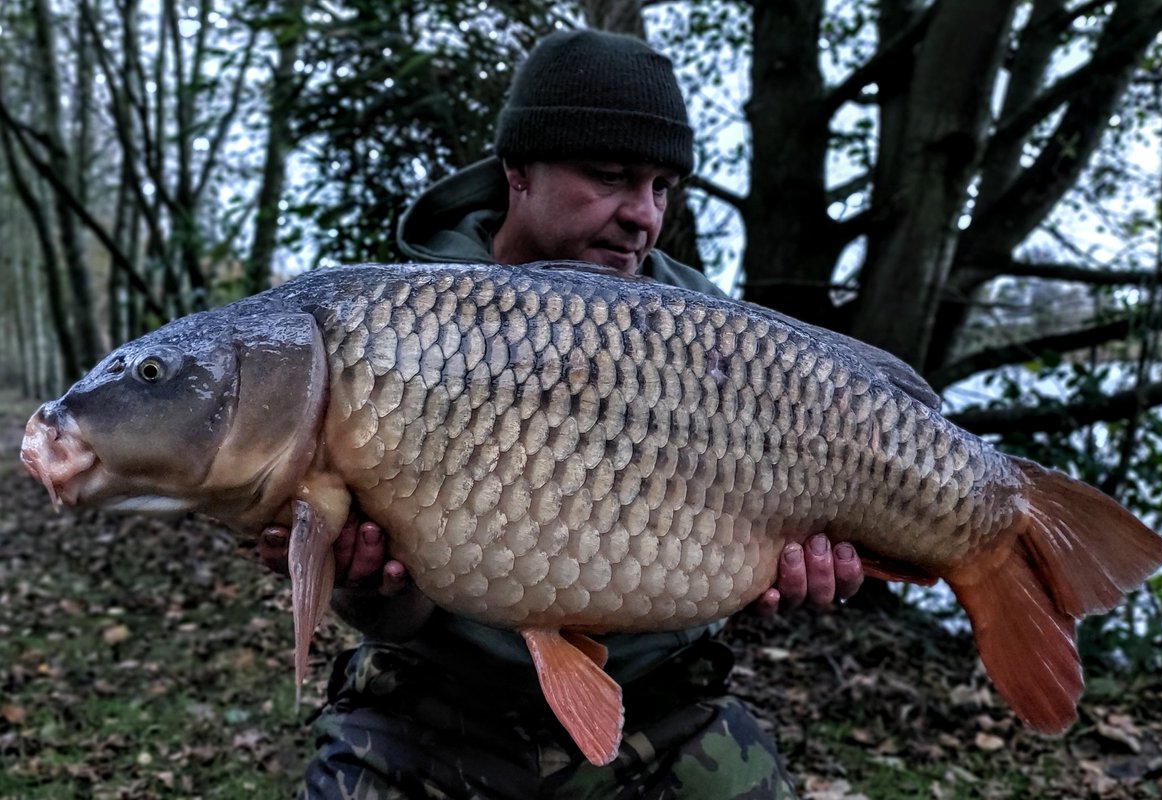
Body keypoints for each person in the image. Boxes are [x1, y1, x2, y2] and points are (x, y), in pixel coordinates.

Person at [260, 28, 864, 799]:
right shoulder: (395, 327)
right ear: (516, 171)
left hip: (662, 706)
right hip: (433, 706)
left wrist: (797, 574)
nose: (642, 216)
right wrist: (369, 589)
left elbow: (731, 571)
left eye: (661, 187)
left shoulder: (718, 342)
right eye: (610, 177)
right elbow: (394, 606)